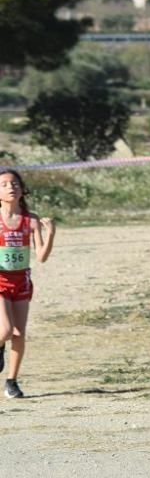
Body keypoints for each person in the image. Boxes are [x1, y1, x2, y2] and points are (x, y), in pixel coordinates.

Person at [0, 168, 55, 399]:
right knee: (5, 330)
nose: (10, 187)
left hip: (21, 281)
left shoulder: (30, 220)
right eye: (3, 184)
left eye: (14, 183)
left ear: (22, 189)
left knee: (20, 333)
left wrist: (50, 233)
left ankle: (12, 381)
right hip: (0, 281)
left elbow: (41, 256)